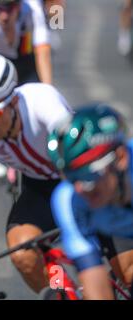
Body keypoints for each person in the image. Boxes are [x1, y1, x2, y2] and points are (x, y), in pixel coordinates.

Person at [0, 53, 73, 294]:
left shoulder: (42, 100)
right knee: (22, 252)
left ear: (12, 102)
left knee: (125, 270)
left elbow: (74, 161)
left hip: (82, 181)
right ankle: (58, 294)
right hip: (41, 187)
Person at [48, 104, 133, 300]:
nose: (78, 188)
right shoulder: (68, 199)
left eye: (86, 176)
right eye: (71, 177)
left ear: (120, 158)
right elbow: (95, 285)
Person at [0, 0, 52, 85]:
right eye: (0, 8)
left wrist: (48, 88)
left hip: (26, 60)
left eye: (9, 9)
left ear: (19, 6)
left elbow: (42, 53)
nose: (4, 16)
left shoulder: (33, 10)